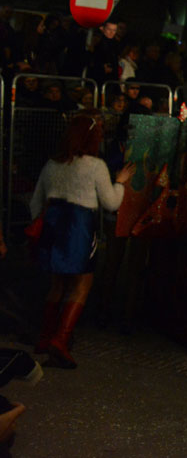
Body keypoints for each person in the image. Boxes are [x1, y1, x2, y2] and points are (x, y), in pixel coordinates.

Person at [29, 113, 135, 368]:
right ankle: (61, 340)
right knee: (82, 284)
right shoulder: (96, 166)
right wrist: (120, 183)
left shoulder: (52, 164)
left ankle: (45, 337)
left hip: (53, 222)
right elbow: (111, 202)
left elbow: (35, 203)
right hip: (79, 225)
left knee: (57, 283)